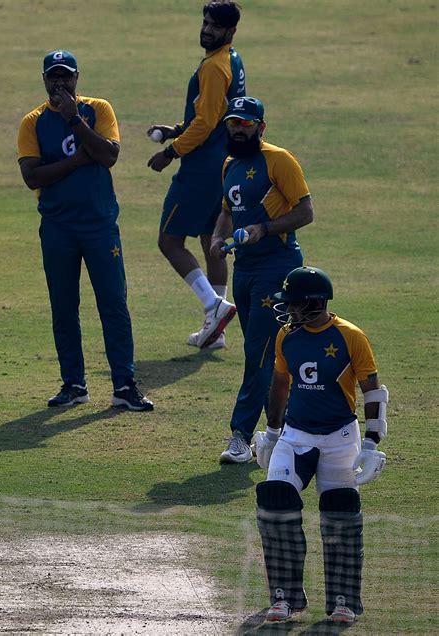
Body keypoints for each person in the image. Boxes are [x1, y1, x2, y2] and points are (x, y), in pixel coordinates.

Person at [17, 49, 153, 411]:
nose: (59, 82)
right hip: (58, 227)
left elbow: (109, 155)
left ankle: (124, 385)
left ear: (77, 78)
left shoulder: (98, 109)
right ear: (44, 79)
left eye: (66, 76)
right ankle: (74, 384)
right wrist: (78, 159)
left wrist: (74, 120)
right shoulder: (33, 122)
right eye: (53, 76)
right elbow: (31, 175)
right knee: (64, 306)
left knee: (113, 304)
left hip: (99, 226)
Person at [253, 266, 388, 624]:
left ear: (315, 303)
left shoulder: (351, 336)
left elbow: (372, 390)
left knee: (340, 510)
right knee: (275, 499)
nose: (289, 311)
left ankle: (344, 600)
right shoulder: (287, 336)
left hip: (340, 437)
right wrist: (271, 431)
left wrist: (372, 442)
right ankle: (284, 597)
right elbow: (281, 384)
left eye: (294, 305)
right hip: (295, 435)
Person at [210, 96, 314, 463]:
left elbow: (306, 211)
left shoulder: (279, 160)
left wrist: (263, 229)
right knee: (267, 356)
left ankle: (240, 435)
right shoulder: (229, 164)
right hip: (246, 269)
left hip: (277, 266)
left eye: (246, 123)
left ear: (261, 126)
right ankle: (286, 429)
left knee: (258, 353)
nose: (239, 129)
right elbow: (226, 210)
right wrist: (217, 238)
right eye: (233, 123)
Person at [147, 1, 245, 349]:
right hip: (224, 165)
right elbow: (214, 117)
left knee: (170, 240)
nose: (207, 29)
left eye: (215, 26)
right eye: (205, 22)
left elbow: (205, 124)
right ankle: (214, 330)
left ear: (230, 31)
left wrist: (171, 151)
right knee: (211, 243)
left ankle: (213, 306)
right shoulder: (232, 59)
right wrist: (176, 129)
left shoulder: (215, 68)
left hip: (202, 169)